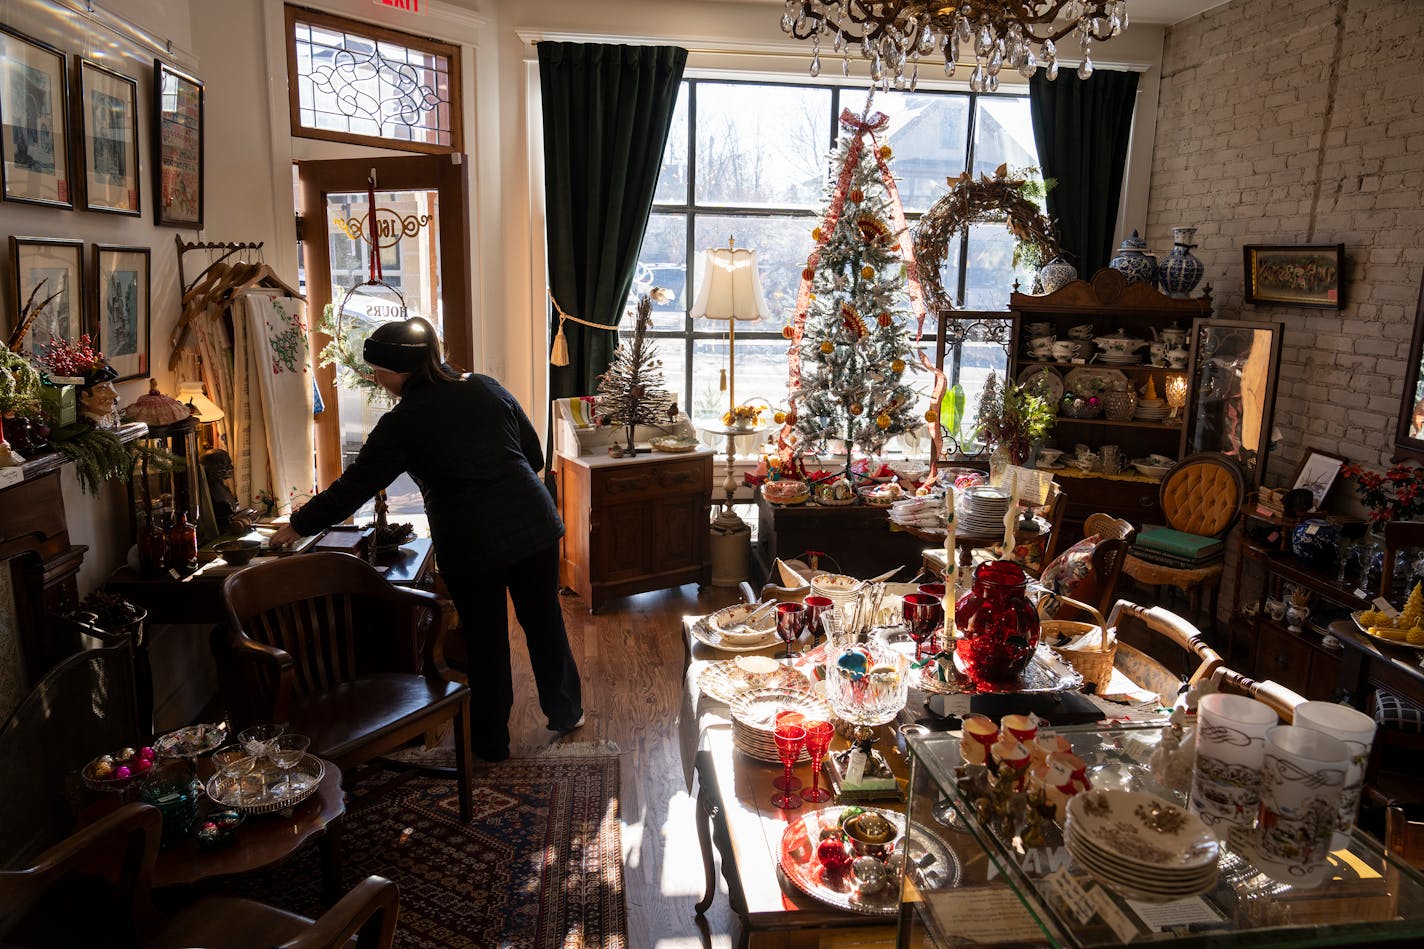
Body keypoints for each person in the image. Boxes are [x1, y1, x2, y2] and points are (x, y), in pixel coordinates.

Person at [269, 317, 583, 761]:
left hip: (471, 541)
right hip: (534, 523)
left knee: (485, 639)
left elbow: (352, 487)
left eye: (378, 372)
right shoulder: (485, 386)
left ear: (398, 372)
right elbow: (532, 453)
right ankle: (567, 712)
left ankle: (491, 744)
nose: (377, 381)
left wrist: (297, 525)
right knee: (544, 621)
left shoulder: (404, 422)